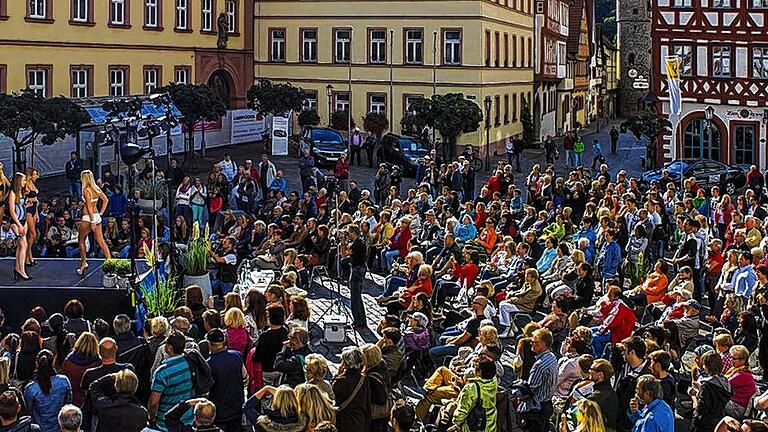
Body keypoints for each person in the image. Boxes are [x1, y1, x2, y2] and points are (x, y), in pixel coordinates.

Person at [148, 332, 195, 431]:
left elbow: (154, 402)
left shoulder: (162, 372)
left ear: (169, 348)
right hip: (187, 419)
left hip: (165, 423)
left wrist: (152, 417)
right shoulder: (190, 362)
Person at [204, 329, 244, 432]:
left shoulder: (209, 364)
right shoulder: (237, 355)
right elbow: (245, 377)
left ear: (209, 343)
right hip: (237, 407)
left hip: (220, 411)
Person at [24, 350, 72, 432]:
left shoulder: (31, 388)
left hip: (39, 427)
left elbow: (28, 410)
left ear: (36, 364)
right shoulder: (63, 381)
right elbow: (68, 402)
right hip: (59, 427)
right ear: (53, 364)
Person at [77, 171, 111, 275]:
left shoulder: (86, 190)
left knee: (81, 240)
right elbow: (106, 200)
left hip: (88, 218)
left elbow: (88, 207)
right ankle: (110, 262)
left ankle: (83, 263)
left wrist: (92, 221)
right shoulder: (96, 188)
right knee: (101, 241)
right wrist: (100, 213)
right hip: (97, 216)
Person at [525, 329, 558, 432]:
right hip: (547, 403)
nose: (532, 344)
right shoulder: (552, 357)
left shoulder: (539, 364)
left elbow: (531, 387)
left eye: (535, 342)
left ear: (543, 344)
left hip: (538, 407)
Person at [332, 347, 370, 432]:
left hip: (344, 421)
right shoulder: (364, 379)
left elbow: (332, 398)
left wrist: (337, 375)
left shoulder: (341, 381)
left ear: (345, 364)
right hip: (360, 419)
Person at [8, 173, 30, 281]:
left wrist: (25, 224)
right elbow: (12, 211)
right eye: (23, 180)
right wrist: (19, 225)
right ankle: (21, 269)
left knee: (20, 246)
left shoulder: (23, 193)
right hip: (15, 221)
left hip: (22, 220)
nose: (25, 182)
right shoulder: (13, 193)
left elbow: (25, 210)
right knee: (23, 244)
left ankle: (18, 268)